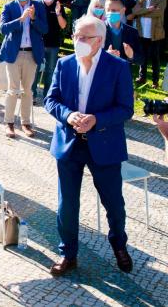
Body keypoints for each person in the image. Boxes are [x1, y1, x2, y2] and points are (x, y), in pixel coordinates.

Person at [44, 15, 134, 277]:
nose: (78, 41)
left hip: (104, 144)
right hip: (70, 144)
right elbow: (50, 99)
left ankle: (119, 245)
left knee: (114, 203)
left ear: (100, 40)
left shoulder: (117, 67)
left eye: (85, 37)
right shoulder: (64, 64)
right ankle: (67, 254)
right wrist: (68, 115)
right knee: (67, 205)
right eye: (76, 36)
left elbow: (126, 108)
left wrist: (96, 120)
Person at [0, 0, 48, 138]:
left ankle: (26, 123)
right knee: (13, 90)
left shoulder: (38, 7)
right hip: (14, 53)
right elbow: (3, 29)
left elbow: (44, 29)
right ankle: (9, 123)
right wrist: (20, 20)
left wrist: (33, 18)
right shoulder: (9, 6)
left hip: (31, 53)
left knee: (27, 90)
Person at [33, 0, 68, 100]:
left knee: (50, 70)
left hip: (53, 44)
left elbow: (63, 26)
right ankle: (31, 94)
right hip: (38, 43)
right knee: (34, 69)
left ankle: (47, 96)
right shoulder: (36, 6)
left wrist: (58, 13)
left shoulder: (59, 6)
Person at [132, 0, 166, 88]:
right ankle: (142, 77)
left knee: (155, 58)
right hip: (142, 32)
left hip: (155, 33)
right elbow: (134, 11)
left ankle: (155, 81)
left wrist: (141, 12)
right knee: (143, 56)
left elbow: (158, 13)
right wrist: (148, 9)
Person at [104, 0, 142, 65]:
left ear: (123, 10)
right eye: (108, 10)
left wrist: (131, 55)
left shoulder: (132, 32)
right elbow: (89, 54)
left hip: (124, 73)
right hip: (104, 72)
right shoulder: (97, 30)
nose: (110, 13)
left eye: (114, 10)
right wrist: (105, 54)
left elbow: (141, 60)